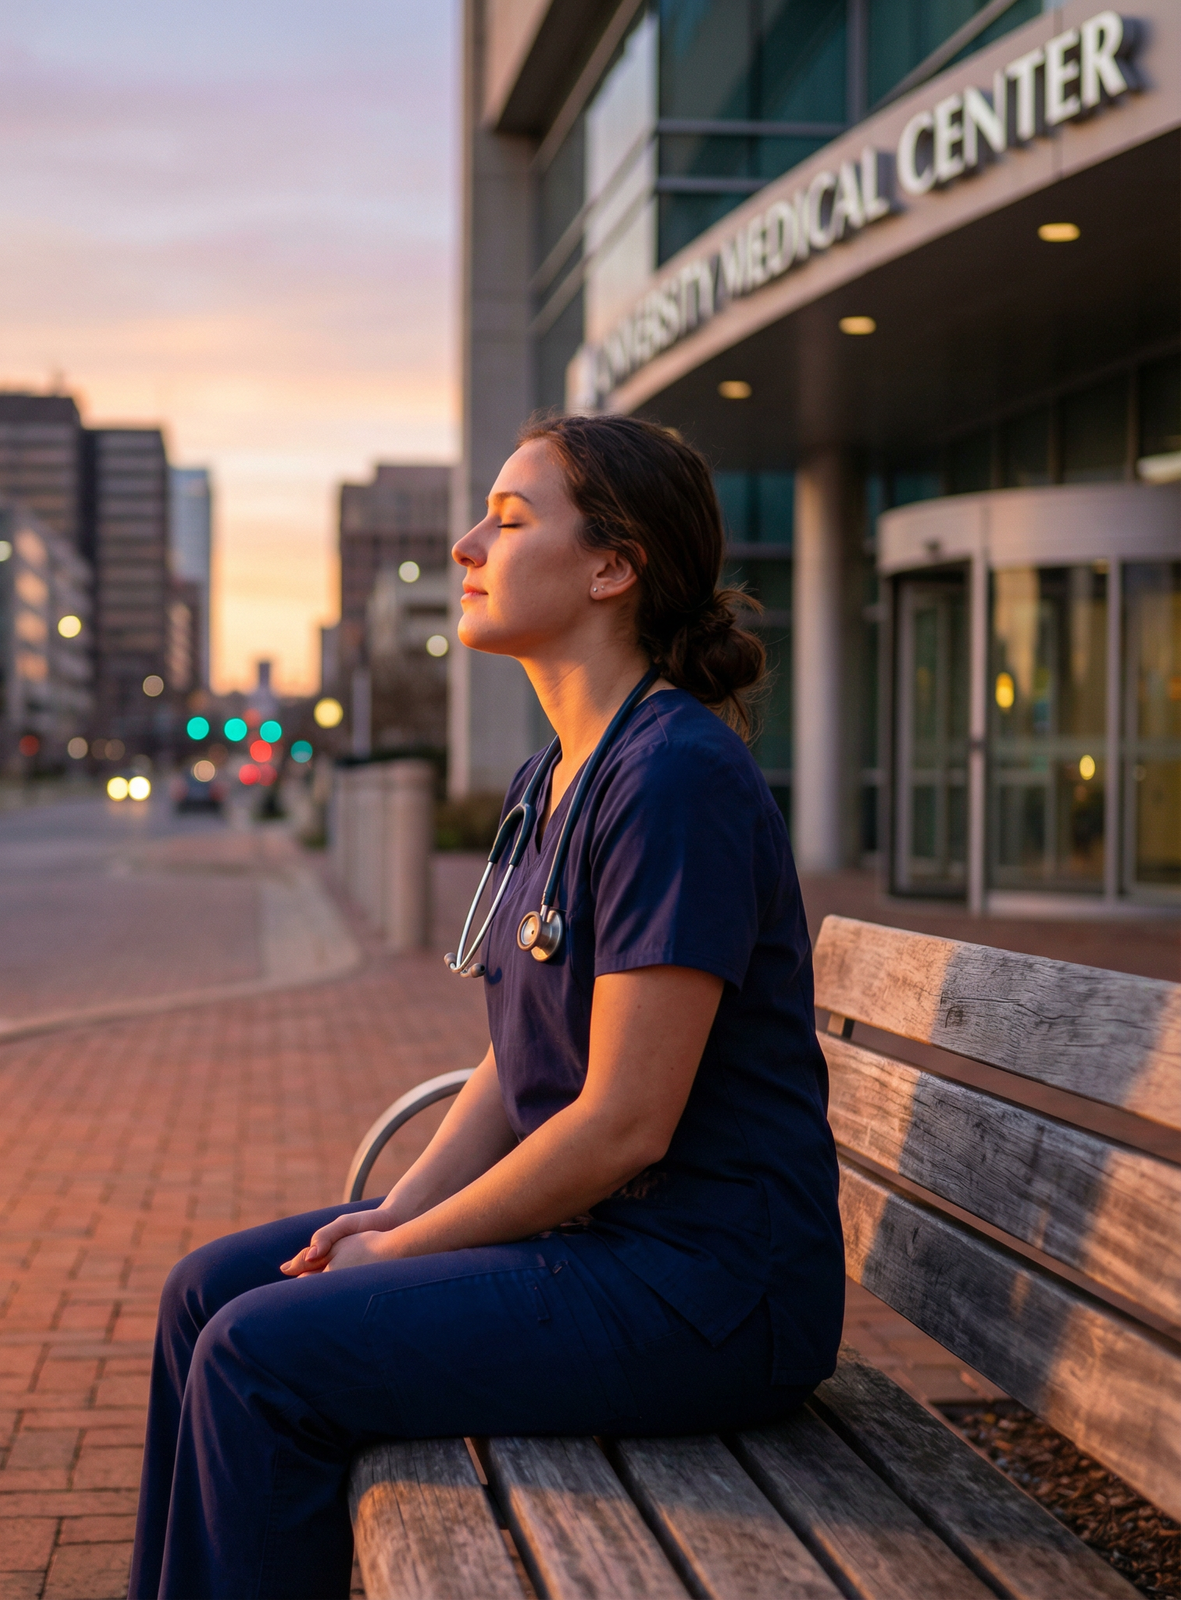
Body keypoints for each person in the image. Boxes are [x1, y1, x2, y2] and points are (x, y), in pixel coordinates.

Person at [129, 414, 844, 1600]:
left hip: (707, 1290)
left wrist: (400, 1249)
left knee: (262, 1356)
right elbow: (514, 1071)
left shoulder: (671, 780)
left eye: (508, 521)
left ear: (612, 567)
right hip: (602, 1243)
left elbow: (622, 1122)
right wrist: (388, 1216)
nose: (466, 544)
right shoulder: (553, 777)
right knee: (208, 1290)